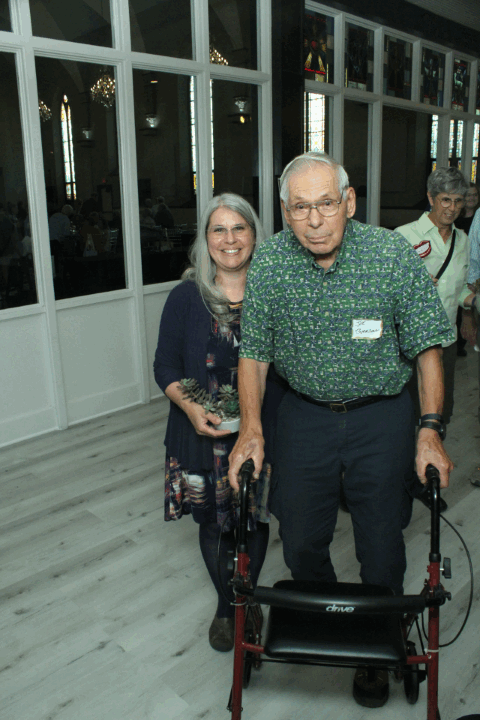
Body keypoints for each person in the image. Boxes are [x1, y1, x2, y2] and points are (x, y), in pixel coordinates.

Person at [227, 151, 454, 708]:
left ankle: (378, 643)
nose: (314, 220)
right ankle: (333, 624)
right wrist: (251, 429)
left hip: (381, 416)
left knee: (382, 541)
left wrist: (428, 429)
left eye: (326, 203)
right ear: (284, 211)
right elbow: (254, 353)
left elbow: (427, 345)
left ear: (349, 202)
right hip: (304, 416)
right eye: (299, 207)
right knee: (301, 538)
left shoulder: (389, 255)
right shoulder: (271, 262)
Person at [154, 193, 284, 654]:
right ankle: (227, 608)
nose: (230, 239)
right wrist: (191, 408)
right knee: (212, 523)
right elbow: (165, 366)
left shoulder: (273, 292)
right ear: (205, 239)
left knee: (254, 519)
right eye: (219, 229)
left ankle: (247, 598)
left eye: (239, 228)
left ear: (254, 235)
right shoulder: (186, 297)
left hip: (262, 432)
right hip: (200, 434)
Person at [396, 167, 475, 426]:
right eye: (446, 200)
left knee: (439, 414)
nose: (452, 208)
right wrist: (410, 284)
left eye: (458, 201)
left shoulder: (462, 240)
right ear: (431, 198)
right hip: (409, 343)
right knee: (407, 414)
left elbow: (459, 289)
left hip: (446, 342)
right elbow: (384, 291)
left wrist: (474, 301)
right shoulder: (403, 236)